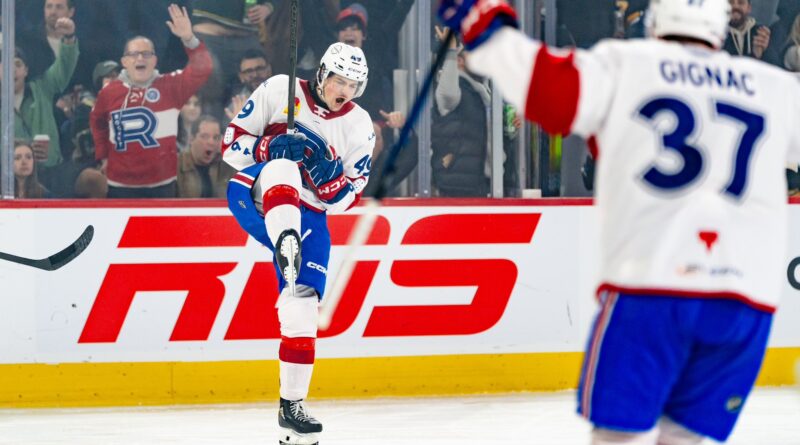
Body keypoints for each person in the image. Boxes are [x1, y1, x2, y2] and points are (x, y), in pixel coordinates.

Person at [439, 0, 800, 443]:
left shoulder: (627, 66)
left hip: (652, 288)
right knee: (686, 438)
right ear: (720, 28)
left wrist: (483, 23)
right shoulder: (774, 87)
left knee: (619, 436)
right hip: (744, 302)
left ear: (654, 23)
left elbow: (544, 88)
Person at [221, 41, 373, 445]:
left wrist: (330, 179)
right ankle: (285, 238)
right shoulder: (277, 90)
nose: (344, 90)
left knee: (302, 310)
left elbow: (347, 200)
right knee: (284, 165)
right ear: (322, 73)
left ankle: (292, 410)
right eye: (339, 79)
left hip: (311, 214)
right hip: (256, 190)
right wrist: (266, 147)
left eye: (353, 85)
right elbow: (229, 147)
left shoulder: (360, 126)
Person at [90, 4, 212, 199]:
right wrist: (103, 155)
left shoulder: (170, 86)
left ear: (155, 60)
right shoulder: (109, 92)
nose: (141, 58)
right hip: (119, 185)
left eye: (147, 54)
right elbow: (97, 121)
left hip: (162, 185)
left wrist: (189, 39)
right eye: (134, 54)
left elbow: (203, 69)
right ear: (124, 61)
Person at [431, 27, 491, 197]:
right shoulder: (455, 90)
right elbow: (448, 93)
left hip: (483, 183)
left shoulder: (482, 91)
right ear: (459, 61)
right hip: (457, 186)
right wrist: (450, 52)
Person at [177, 115, 234, 198]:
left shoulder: (227, 166)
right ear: (191, 139)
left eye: (216, 137)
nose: (211, 142)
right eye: (205, 136)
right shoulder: (177, 165)